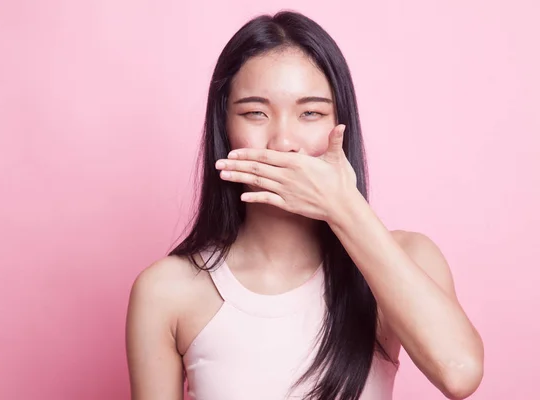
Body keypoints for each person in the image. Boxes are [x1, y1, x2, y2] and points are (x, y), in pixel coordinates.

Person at [125, 10, 484, 400]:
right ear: (223, 127)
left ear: (341, 123)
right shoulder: (165, 291)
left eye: (310, 113)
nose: (283, 142)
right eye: (255, 113)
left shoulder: (406, 258)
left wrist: (344, 206)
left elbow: (459, 373)